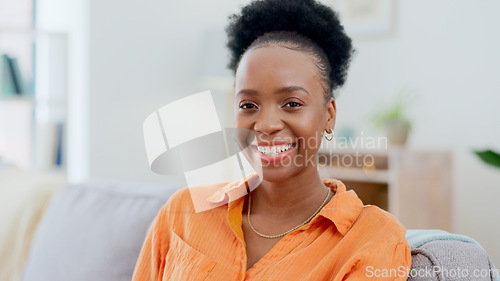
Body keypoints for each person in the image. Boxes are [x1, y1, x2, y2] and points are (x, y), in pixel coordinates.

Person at [132, 0, 411, 280]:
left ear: (329, 115)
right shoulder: (184, 211)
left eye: (291, 103)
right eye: (248, 106)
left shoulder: (374, 239)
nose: (265, 125)